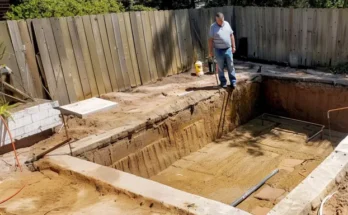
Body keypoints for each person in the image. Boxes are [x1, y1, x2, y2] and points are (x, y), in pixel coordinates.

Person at [208, 12, 237, 88]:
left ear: (223, 18)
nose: (221, 22)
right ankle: (223, 83)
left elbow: (231, 35)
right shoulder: (213, 27)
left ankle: (233, 82)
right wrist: (210, 51)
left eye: (222, 20)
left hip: (228, 49)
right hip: (218, 50)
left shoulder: (227, 24)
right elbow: (210, 40)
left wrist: (233, 46)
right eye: (219, 21)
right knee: (220, 67)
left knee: (230, 66)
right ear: (216, 20)